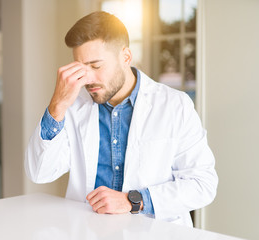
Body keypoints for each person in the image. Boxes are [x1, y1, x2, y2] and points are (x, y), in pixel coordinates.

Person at [25, 11, 218, 227]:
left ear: (125, 57)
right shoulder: (72, 105)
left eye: (96, 66)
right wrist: (57, 106)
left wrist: (133, 201)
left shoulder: (175, 105)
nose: (87, 78)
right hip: (88, 231)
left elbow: (202, 185)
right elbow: (39, 172)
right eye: (81, 68)